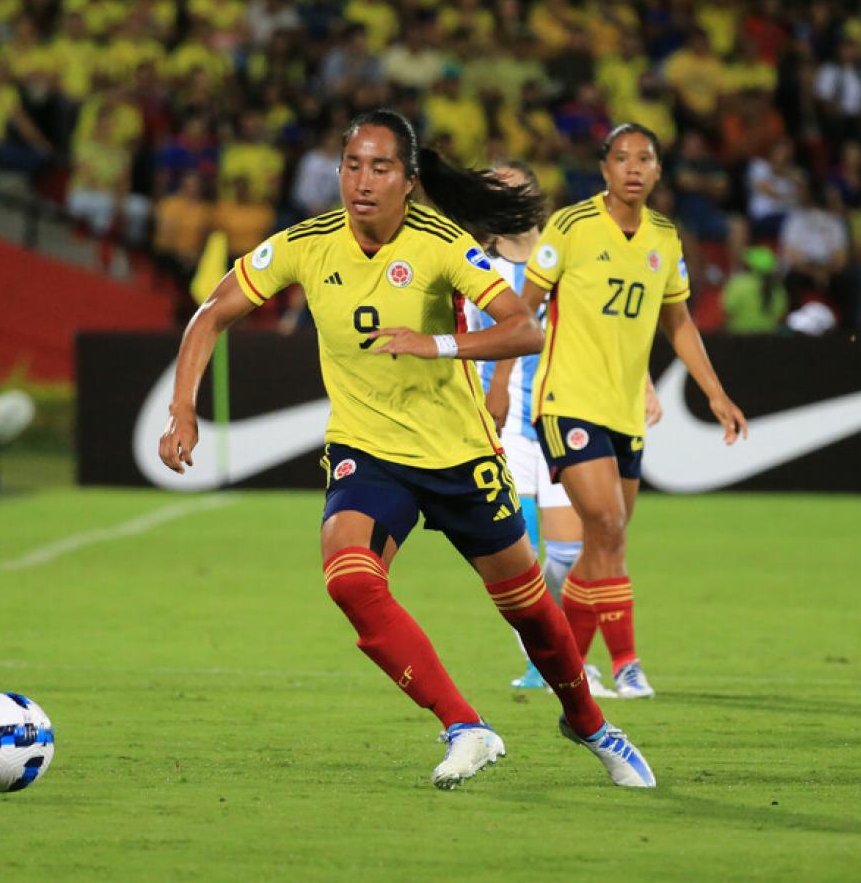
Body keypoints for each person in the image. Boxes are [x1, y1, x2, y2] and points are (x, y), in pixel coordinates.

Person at [157, 108, 656, 790]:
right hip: (369, 450)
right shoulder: (307, 242)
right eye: (352, 165)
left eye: (381, 167)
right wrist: (182, 408)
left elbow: (522, 329)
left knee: (529, 608)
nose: (362, 181)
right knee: (348, 576)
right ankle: (465, 725)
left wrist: (438, 343)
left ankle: (591, 722)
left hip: (457, 453)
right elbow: (210, 312)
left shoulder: (443, 243)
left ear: (410, 180)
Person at [496, 123, 748, 699]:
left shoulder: (664, 236)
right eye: (621, 158)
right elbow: (524, 310)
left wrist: (714, 392)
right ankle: (628, 663)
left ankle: (570, 667)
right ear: (604, 168)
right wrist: (505, 382)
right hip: (565, 402)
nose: (633, 168)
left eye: (646, 159)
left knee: (604, 542)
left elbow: (678, 321)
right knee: (606, 528)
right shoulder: (570, 226)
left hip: (623, 411)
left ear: (659, 171)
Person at [465, 160, 657, 698]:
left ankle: (566, 652)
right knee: (516, 558)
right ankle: (549, 662)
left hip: (564, 417)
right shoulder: (474, 264)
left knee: (572, 554)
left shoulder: (568, 253)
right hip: (500, 429)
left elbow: (611, 328)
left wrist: (640, 382)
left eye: (515, 188)